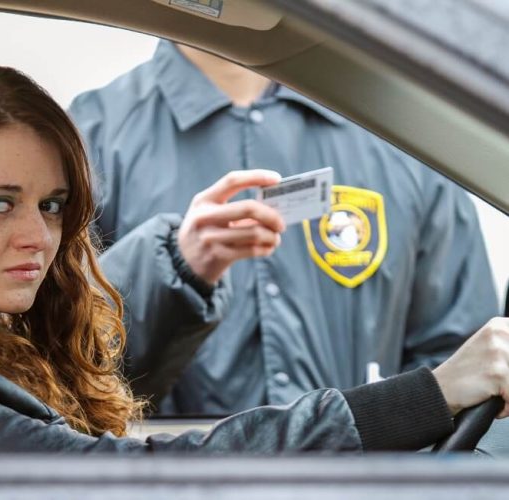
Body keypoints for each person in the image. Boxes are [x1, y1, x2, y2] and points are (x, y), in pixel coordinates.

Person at [0, 61, 509, 455]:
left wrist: (441, 394)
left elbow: (86, 382)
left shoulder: (397, 149)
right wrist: (175, 267)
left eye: (54, 206)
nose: (40, 238)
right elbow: (125, 475)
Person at [68, 40, 499, 414]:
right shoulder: (92, 136)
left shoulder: (398, 134)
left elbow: (463, 360)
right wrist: (174, 270)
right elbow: (62, 366)